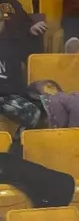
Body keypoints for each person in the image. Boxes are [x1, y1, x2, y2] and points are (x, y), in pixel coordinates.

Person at [0, 1, 43, 137]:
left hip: (6, 97)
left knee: (35, 112)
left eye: (1, 21)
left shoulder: (8, 49)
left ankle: (17, 145)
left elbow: (15, 81)